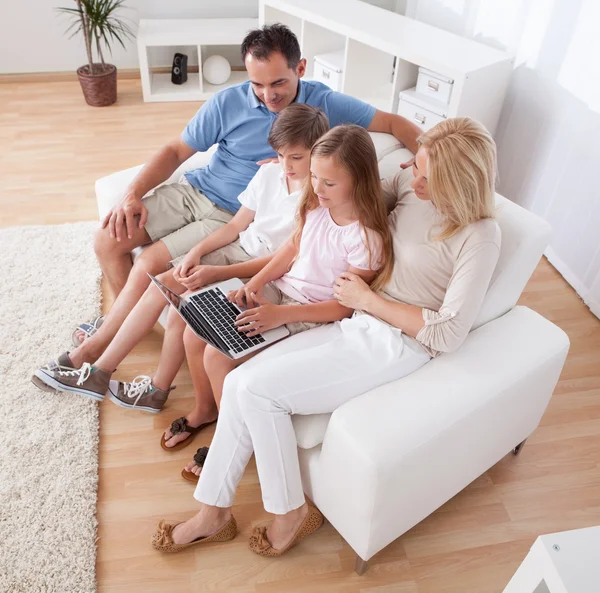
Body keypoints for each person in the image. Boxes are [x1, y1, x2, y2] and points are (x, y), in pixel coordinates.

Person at [151, 117, 502, 558]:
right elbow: (354, 181)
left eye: (425, 174)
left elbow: (449, 332)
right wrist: (293, 167)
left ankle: (291, 512)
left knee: (259, 391)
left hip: (398, 342)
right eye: (415, 165)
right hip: (355, 317)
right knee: (240, 383)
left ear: (456, 182)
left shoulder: (480, 236)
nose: (412, 176)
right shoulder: (412, 191)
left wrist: (368, 301)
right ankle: (212, 513)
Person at [68, 23, 421, 368]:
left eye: (279, 82)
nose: (268, 95)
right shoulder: (228, 102)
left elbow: (393, 123)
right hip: (195, 189)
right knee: (108, 238)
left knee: (147, 263)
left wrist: (425, 159)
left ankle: (100, 346)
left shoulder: (324, 105)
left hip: (233, 212)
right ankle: (124, 328)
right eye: (257, 84)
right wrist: (132, 193)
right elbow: (177, 151)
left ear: (300, 68)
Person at [31, 104, 328, 426]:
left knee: (179, 308)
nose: (285, 164)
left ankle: (138, 382)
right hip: (237, 248)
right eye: (281, 154)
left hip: (262, 270)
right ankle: (105, 370)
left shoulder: (318, 198)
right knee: (167, 280)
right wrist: (196, 253)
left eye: (296, 157)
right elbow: (234, 227)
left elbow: (285, 259)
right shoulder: (269, 173)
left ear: (318, 151)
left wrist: (217, 271)